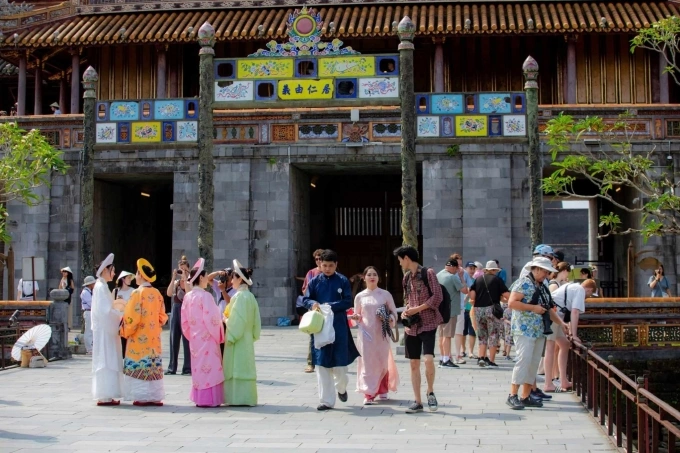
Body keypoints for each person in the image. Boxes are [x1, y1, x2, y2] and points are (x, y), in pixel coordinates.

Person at [506, 257, 569, 410]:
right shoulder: (523, 282)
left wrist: (561, 323)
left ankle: (525, 395)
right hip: (524, 329)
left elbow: (548, 308)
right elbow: (512, 303)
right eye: (545, 271)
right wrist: (533, 308)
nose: (547, 275)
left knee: (533, 363)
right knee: (523, 360)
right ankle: (512, 395)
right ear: (537, 269)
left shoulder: (542, 286)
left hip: (539, 330)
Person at [303, 249, 359, 411]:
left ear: (336, 265)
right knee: (321, 364)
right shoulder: (314, 281)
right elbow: (305, 299)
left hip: (338, 326)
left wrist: (329, 306)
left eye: (330, 266)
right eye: (324, 265)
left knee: (340, 366)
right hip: (320, 327)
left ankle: (341, 388)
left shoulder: (342, 280)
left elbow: (347, 301)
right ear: (320, 264)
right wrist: (312, 304)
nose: (327, 268)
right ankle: (326, 401)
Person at [394, 245, 442, 414]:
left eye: (400, 260)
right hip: (411, 327)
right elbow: (408, 299)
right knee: (414, 363)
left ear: (406, 258)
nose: (400, 263)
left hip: (428, 323)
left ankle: (430, 391)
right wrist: (407, 311)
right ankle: (418, 401)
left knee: (428, 360)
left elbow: (437, 297)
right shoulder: (406, 277)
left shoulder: (429, 273)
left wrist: (418, 309)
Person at [120, 258, 168, 406]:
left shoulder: (137, 293)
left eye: (137, 273)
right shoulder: (157, 293)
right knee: (153, 364)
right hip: (153, 338)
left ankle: (142, 396)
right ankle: (154, 396)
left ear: (140, 274)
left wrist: (124, 329)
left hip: (139, 338)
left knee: (139, 363)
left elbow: (131, 318)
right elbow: (163, 317)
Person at [351, 266, 399, 405]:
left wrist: (389, 318)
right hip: (366, 334)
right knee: (367, 362)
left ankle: (382, 389)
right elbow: (357, 314)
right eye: (369, 274)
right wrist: (356, 317)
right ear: (364, 278)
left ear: (379, 278)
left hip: (382, 334)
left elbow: (394, 313)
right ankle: (368, 393)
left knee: (382, 360)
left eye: (375, 274)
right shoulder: (360, 296)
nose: (372, 277)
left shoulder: (385, 294)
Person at [181, 258, 225, 408]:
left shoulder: (187, 297)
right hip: (208, 337)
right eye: (206, 276)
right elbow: (213, 318)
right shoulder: (206, 296)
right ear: (200, 277)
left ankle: (200, 398)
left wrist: (191, 335)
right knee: (210, 367)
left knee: (198, 368)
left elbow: (184, 322)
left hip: (195, 339)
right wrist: (218, 334)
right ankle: (211, 399)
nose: (207, 279)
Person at [543, 279, 597, 393]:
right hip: (552, 315)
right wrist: (574, 334)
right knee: (550, 347)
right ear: (589, 289)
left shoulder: (573, 286)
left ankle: (563, 380)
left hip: (557, 317)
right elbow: (575, 312)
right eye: (589, 294)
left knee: (565, 344)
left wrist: (570, 331)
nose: (587, 297)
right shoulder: (580, 290)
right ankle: (548, 384)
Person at [223, 259, 261, 406]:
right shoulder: (250, 296)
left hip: (237, 339)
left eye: (233, 278)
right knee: (246, 366)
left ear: (239, 279)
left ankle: (236, 398)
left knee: (236, 367)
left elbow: (236, 322)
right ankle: (248, 397)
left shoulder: (239, 297)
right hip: (247, 338)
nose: (231, 281)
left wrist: (226, 320)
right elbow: (256, 321)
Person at [91, 253, 124, 406]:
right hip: (105, 331)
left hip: (107, 330)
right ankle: (105, 394)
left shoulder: (102, 286)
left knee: (109, 359)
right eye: (113, 270)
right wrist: (119, 313)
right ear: (105, 270)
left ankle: (108, 394)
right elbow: (105, 311)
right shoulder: (100, 287)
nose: (114, 273)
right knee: (106, 360)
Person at [468, 260, 510, 367]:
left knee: (482, 335)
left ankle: (481, 357)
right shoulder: (497, 280)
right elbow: (507, 295)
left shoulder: (478, 279)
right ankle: (491, 360)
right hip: (492, 309)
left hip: (478, 309)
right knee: (493, 334)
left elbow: (472, 295)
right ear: (495, 270)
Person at [437, 258, 467, 368]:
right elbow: (465, 290)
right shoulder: (452, 277)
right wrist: (461, 277)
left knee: (441, 335)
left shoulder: (438, 275)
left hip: (440, 310)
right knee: (447, 336)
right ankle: (446, 359)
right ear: (454, 267)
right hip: (450, 310)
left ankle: (442, 358)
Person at [298, 249, 324, 373]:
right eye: (316, 259)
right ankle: (311, 363)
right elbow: (305, 290)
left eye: (320, 258)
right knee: (313, 335)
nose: (318, 261)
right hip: (314, 307)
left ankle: (326, 362)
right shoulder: (311, 273)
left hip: (327, 308)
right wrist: (313, 301)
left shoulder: (330, 272)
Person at [165, 256, 192, 376]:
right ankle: (172, 367)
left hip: (186, 310)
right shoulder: (176, 283)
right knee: (173, 338)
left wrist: (185, 278)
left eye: (185, 269)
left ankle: (187, 368)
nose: (183, 272)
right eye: (181, 269)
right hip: (176, 309)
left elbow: (189, 293)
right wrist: (173, 277)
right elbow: (169, 293)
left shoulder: (190, 282)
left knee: (187, 339)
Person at [113, 270, 135, 357]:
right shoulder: (115, 291)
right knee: (118, 342)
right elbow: (112, 305)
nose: (130, 280)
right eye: (128, 278)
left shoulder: (133, 291)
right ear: (123, 279)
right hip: (117, 320)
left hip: (129, 319)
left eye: (130, 278)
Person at [80, 275, 96, 354]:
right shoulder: (85, 292)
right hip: (88, 311)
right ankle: (89, 348)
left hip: (91, 311)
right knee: (89, 330)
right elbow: (91, 303)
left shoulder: (89, 292)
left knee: (91, 330)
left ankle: (91, 347)